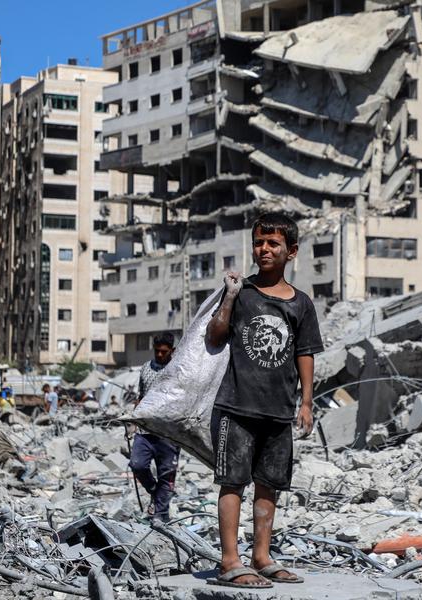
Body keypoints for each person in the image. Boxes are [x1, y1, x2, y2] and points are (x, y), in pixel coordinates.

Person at [205, 213, 323, 588]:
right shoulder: (242, 292)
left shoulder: (301, 303)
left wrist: (306, 402)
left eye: (273, 243)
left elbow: (305, 352)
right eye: (259, 243)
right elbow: (214, 336)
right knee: (233, 483)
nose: (264, 249)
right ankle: (229, 561)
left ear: (292, 251)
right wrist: (229, 297)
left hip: (278, 410)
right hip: (235, 406)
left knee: (269, 484)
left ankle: (262, 556)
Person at [129, 332, 179, 522]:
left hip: (169, 434)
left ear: (172, 351)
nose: (159, 354)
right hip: (145, 430)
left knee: (167, 475)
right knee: (137, 464)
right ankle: (154, 491)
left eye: (163, 352)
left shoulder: (178, 370)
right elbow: (140, 396)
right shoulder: (146, 368)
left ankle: (161, 518)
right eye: (156, 351)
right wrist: (133, 420)